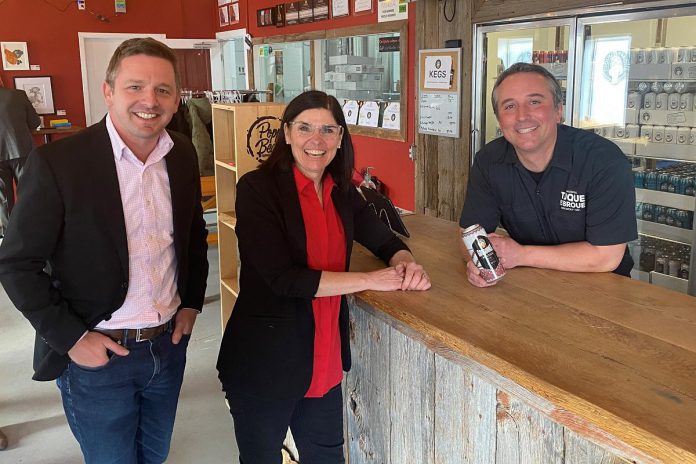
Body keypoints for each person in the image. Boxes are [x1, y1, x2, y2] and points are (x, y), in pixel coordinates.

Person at [0, 38, 209, 463]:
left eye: (163, 90)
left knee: (155, 454)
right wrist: (72, 339)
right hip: (98, 354)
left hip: (167, 347)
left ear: (176, 99)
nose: (149, 101)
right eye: (135, 87)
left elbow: (191, 234)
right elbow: (17, 264)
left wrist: (190, 305)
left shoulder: (182, 154)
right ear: (108, 91)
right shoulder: (59, 163)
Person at [216, 90, 430, 464]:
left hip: (324, 360)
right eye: (305, 128)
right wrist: (370, 280)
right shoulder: (257, 189)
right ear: (286, 133)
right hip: (265, 362)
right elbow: (283, 279)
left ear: (341, 138)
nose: (317, 141)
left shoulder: (341, 191)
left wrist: (405, 261)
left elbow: (383, 238)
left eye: (329, 130)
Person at [459, 62, 637, 287]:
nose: (522, 116)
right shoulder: (489, 161)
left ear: (558, 111)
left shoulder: (602, 160)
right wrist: (477, 266)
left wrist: (521, 255)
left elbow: (606, 256)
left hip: (602, 290)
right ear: (499, 120)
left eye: (534, 102)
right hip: (531, 286)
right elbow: (470, 235)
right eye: (509, 106)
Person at [0, 86, 40, 238]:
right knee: (29, 191)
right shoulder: (17, 95)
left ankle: (9, 237)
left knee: (3, 199)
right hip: (20, 150)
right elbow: (34, 122)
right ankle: (34, 229)